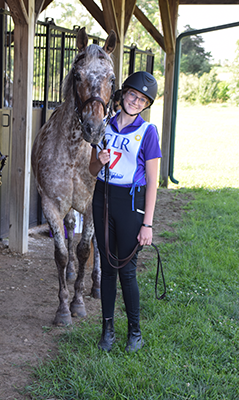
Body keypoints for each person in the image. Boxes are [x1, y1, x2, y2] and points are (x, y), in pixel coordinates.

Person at [89, 71, 162, 353]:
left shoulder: (148, 132)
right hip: (103, 198)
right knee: (107, 269)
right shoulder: (105, 126)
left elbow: (154, 181)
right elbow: (92, 170)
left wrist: (148, 224)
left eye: (142, 99)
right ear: (123, 94)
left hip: (131, 204)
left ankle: (134, 331)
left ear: (146, 104)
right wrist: (100, 160)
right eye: (132, 94)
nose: (135, 101)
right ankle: (107, 329)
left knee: (126, 271)